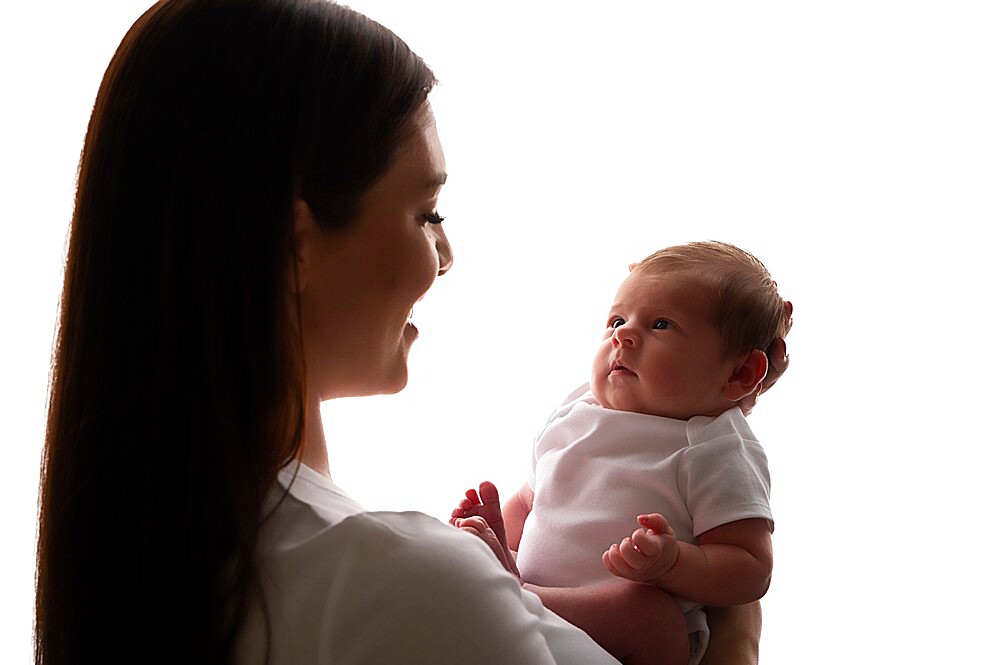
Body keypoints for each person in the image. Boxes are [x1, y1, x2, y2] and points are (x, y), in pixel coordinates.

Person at [33, 1, 780, 663]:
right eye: (428, 213)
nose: (446, 257)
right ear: (290, 244)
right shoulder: (410, 588)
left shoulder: (150, 565)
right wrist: (736, 633)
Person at [452, 241, 793, 665]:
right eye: (617, 319)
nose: (622, 334)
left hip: (629, 635)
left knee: (648, 612)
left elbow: (750, 567)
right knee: (456, 553)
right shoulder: (579, 409)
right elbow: (532, 500)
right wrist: (497, 529)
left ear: (741, 373)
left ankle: (513, 593)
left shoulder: (714, 447)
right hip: (540, 597)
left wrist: (673, 564)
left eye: (662, 324)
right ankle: (509, 582)